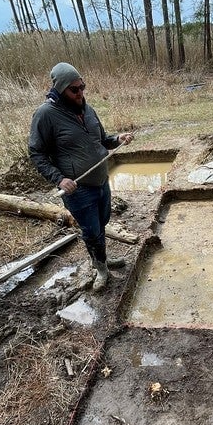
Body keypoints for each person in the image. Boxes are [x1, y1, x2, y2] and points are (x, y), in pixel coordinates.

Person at [29, 62, 134, 292]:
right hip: (78, 189)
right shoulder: (46, 115)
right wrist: (59, 179)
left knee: (102, 223)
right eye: (74, 89)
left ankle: (101, 259)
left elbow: (102, 139)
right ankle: (101, 269)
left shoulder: (87, 109)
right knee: (91, 231)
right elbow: (36, 153)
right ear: (60, 89)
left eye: (82, 87)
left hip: (100, 182)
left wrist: (117, 139)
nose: (80, 93)